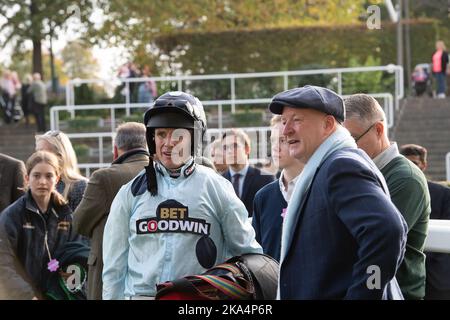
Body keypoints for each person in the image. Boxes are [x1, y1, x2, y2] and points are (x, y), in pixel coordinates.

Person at [102, 91, 262, 300]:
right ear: (152, 138)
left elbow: (249, 256)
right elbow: (113, 270)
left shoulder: (218, 189)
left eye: (177, 135)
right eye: (161, 134)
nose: (168, 143)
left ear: (194, 138)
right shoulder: (129, 193)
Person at [269, 85, 407, 299]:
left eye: (296, 120)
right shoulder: (326, 167)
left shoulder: (340, 166)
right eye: (284, 121)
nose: (286, 130)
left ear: (327, 124)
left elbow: (388, 231)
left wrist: (366, 292)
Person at [344, 94, 431, 300]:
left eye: (351, 139)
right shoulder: (358, 169)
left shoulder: (406, 179)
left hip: (395, 292)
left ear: (379, 130)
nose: (345, 147)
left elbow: (374, 243)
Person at [72, 122, 150, 300]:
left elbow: (79, 224)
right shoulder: (163, 174)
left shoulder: (104, 177)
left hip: (110, 273)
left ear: (116, 149)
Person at [0, 151, 79, 299]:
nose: (42, 181)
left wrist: (67, 291)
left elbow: (78, 255)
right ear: (26, 178)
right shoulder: (11, 216)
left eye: (48, 176)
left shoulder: (66, 216)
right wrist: (27, 295)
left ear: (57, 179)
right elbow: (3, 264)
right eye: (36, 176)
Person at [399, 143, 450, 300]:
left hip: (437, 279)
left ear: (424, 164)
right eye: (405, 161)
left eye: (414, 163)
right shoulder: (393, 189)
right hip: (405, 274)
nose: (410, 166)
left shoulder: (444, 194)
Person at [252, 115, 304, 261]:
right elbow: (258, 255)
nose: (275, 147)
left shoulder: (319, 189)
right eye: (273, 141)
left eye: (282, 140)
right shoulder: (263, 197)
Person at [222, 128, 275, 217]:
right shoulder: (219, 181)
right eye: (225, 147)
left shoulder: (266, 179)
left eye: (235, 146)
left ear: (247, 149)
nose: (229, 151)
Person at [35, 130, 88, 211]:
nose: (38, 157)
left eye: (44, 153)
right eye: (37, 152)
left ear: (61, 156)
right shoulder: (33, 186)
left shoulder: (80, 187)